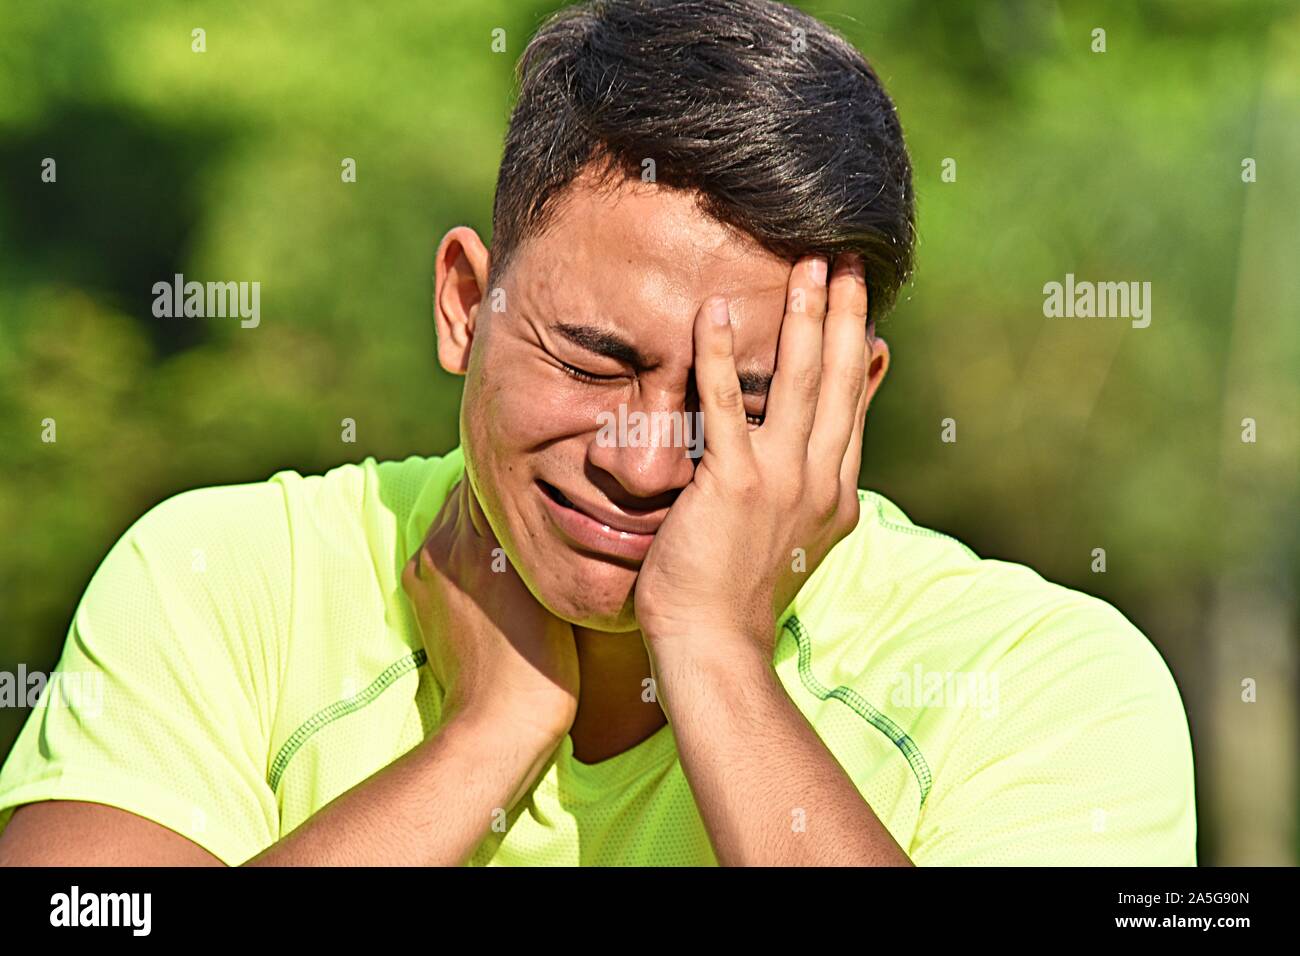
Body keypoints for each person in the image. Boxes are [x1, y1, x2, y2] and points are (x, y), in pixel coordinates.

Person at [0, 0, 1195, 866]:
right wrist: (484, 738)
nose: (638, 458)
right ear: (466, 303)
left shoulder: (1049, 681)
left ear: (850, 400)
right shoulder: (225, 577)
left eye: (742, 403)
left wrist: (714, 650)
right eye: (591, 359)